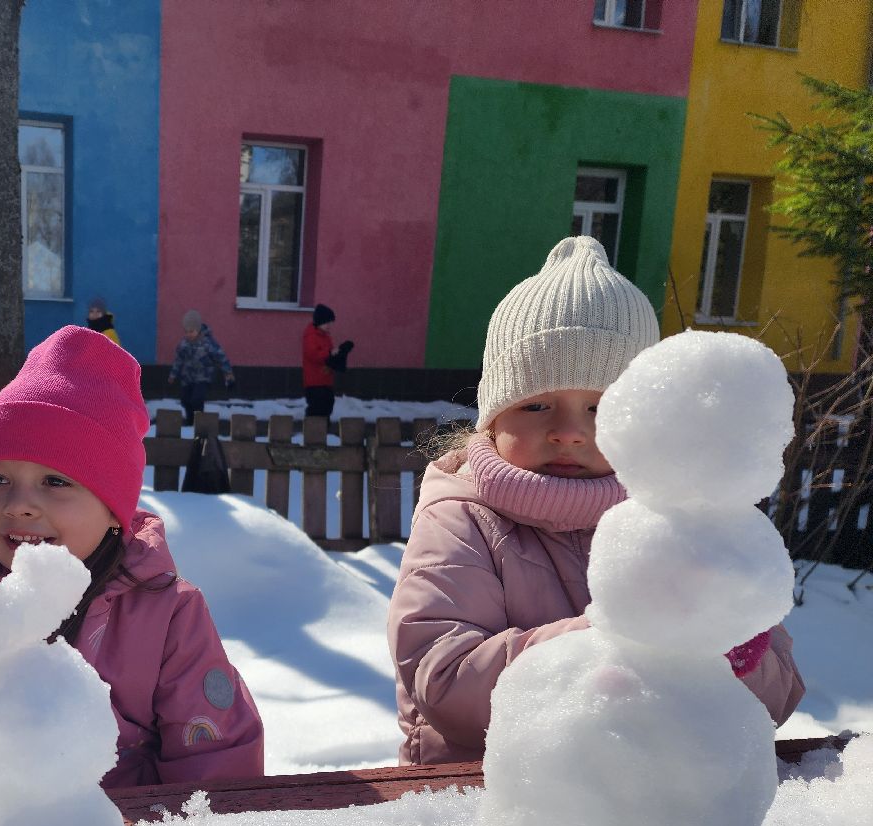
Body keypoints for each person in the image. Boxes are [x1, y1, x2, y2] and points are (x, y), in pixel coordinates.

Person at [386, 236, 804, 766]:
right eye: (536, 404)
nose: (568, 432)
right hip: (479, 794)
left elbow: (777, 699)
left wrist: (734, 644)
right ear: (493, 417)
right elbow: (444, 680)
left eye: (599, 408)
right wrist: (620, 631)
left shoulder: (678, 517)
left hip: (644, 793)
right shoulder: (463, 516)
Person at [0, 325, 265, 808]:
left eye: (55, 481)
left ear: (112, 511)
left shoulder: (167, 615)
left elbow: (214, 762)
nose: (20, 504)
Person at [169, 309, 234, 426]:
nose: (188, 334)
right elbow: (179, 360)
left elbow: (221, 358)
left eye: (191, 331)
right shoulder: (184, 343)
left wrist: (228, 374)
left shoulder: (208, 343)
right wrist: (173, 374)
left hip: (203, 377)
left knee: (197, 399)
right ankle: (190, 421)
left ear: (198, 330)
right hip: (187, 377)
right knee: (185, 400)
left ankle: (199, 422)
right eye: (186, 332)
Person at [302, 303, 353, 419]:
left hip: (325, 379)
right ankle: (313, 433)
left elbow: (329, 355)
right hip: (314, 381)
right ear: (320, 321)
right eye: (327, 322)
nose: (330, 325)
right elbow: (313, 355)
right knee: (316, 408)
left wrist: (339, 353)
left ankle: (322, 431)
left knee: (328, 405)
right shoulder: (311, 336)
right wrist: (330, 353)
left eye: (331, 322)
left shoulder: (325, 336)